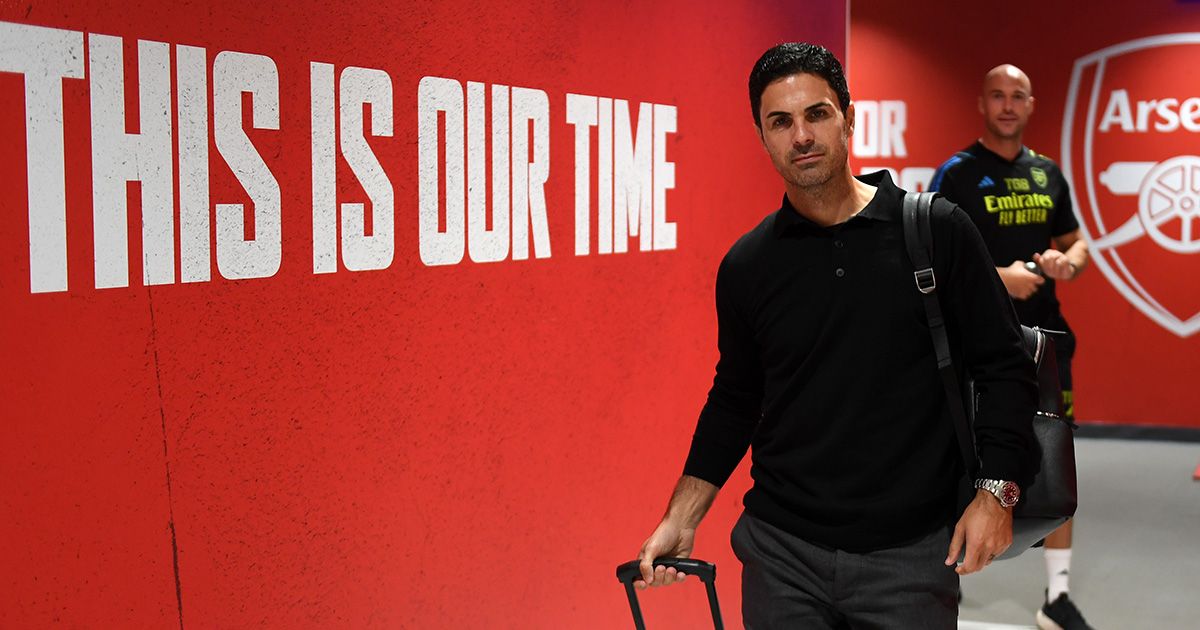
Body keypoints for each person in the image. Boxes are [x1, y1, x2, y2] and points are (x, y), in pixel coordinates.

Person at [633, 43, 1038, 629]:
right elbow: (736, 397)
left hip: (911, 558)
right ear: (763, 136)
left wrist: (996, 495)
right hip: (781, 556)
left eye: (816, 114)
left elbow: (1006, 369)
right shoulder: (748, 265)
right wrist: (684, 514)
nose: (801, 135)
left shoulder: (935, 231)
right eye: (781, 122)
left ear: (848, 116)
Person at [929, 64, 1093, 630]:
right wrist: (999, 277)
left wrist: (1064, 263)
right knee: (951, 461)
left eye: (1016, 95)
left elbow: (1076, 244)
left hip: (1043, 342)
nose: (1006, 104)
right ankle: (936, 579)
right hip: (973, 341)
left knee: (1056, 458)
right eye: (996, 95)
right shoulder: (955, 173)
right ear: (982, 103)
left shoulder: (1049, 173)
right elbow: (928, 257)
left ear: (1030, 104)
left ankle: (1058, 595)